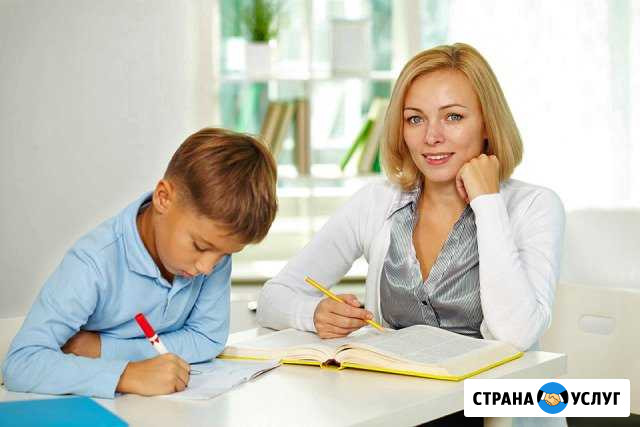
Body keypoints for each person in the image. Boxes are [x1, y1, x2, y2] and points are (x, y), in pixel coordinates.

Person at [257, 42, 565, 351]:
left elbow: (517, 335)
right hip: (392, 383)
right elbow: (273, 297)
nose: (431, 137)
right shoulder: (376, 202)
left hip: (488, 384)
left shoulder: (535, 206)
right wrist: (313, 314)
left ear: (487, 124)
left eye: (453, 117)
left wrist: (487, 202)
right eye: (415, 119)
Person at [2, 128, 278, 398]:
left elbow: (208, 339)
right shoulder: (93, 263)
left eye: (225, 254)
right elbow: (21, 363)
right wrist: (126, 375)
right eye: (200, 246)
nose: (208, 268)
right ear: (163, 198)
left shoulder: (214, 253)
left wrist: (101, 349)